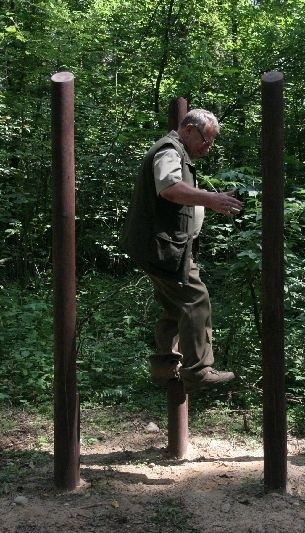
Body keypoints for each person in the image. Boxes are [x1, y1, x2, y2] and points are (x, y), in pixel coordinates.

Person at [121, 109, 243, 392]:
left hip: (166, 246)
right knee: (195, 300)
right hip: (163, 246)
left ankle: (165, 368)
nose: (208, 147)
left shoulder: (180, 154)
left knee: (175, 308)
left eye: (212, 143)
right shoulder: (169, 150)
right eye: (206, 139)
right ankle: (198, 371)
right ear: (188, 128)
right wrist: (212, 199)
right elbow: (170, 189)